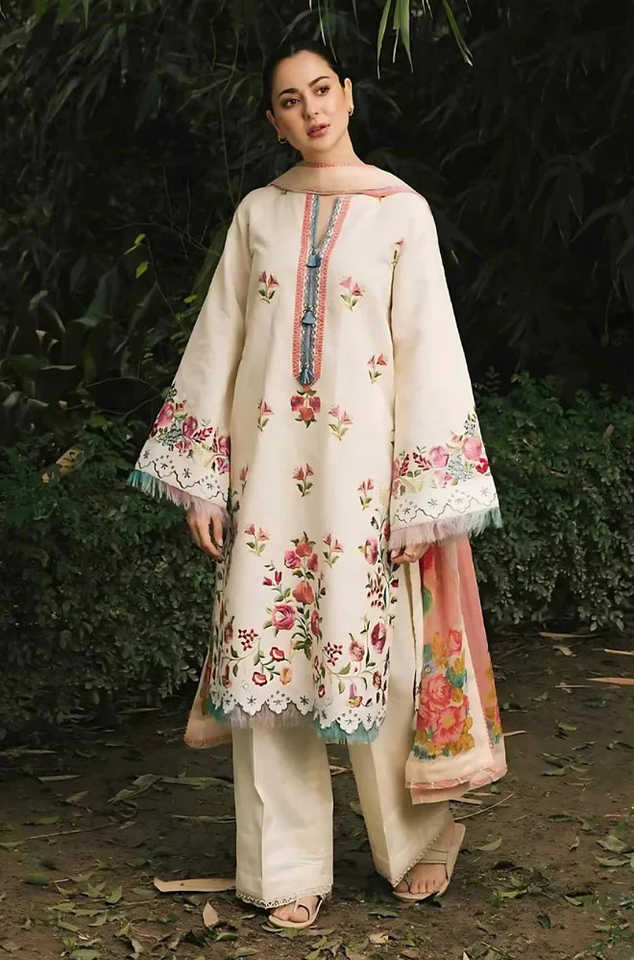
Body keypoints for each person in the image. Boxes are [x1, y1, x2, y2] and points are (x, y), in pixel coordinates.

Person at [128, 41, 507, 929]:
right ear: (274, 121)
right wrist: (203, 479)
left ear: (349, 96)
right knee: (269, 664)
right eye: (291, 100)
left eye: (322, 90)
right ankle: (284, 869)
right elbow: (219, 341)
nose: (312, 110)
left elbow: (429, 352)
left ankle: (412, 843)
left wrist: (422, 495)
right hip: (266, 481)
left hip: (363, 484)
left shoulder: (398, 213)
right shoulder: (258, 214)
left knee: (382, 663)